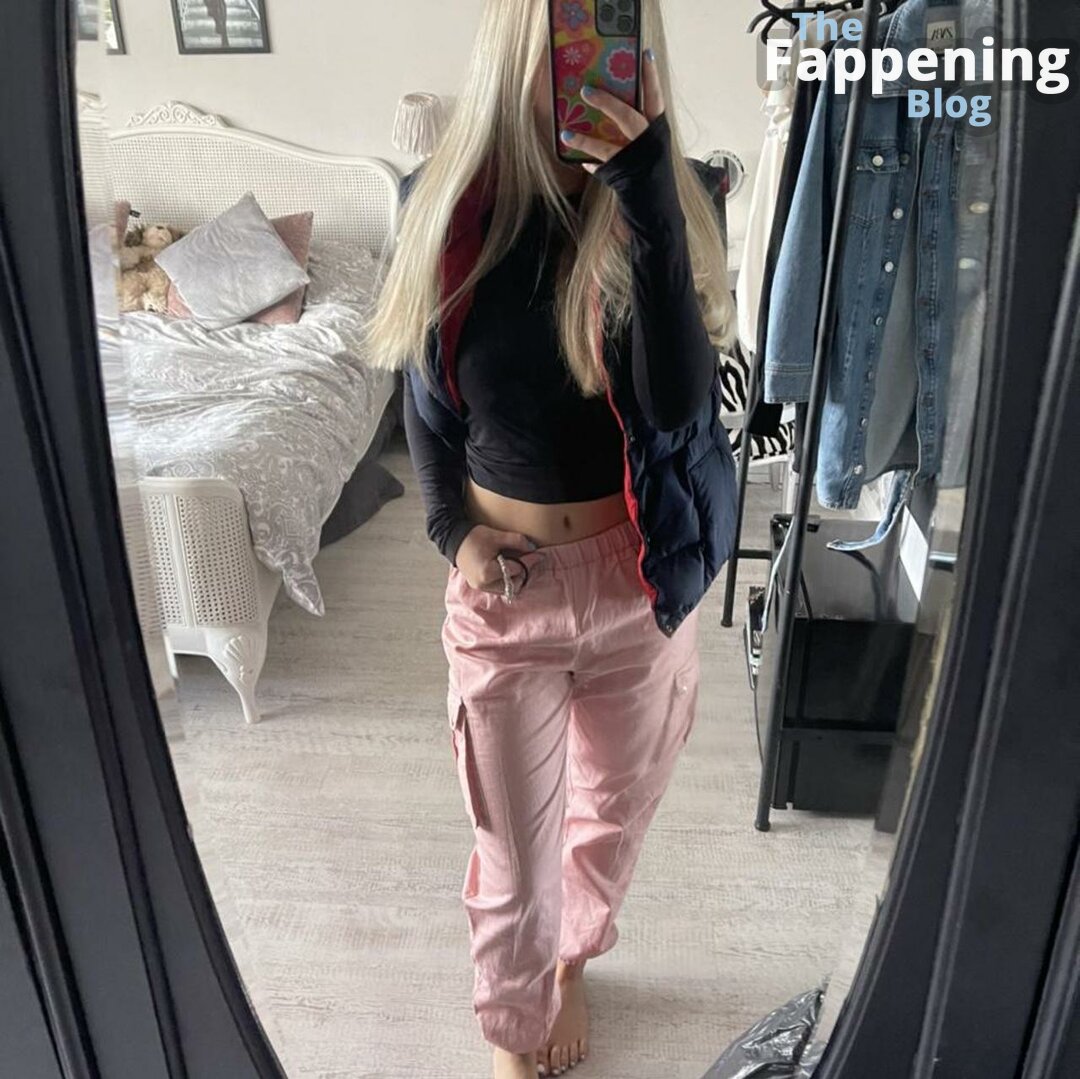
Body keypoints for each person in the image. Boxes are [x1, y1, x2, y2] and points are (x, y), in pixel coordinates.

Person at [368, 2, 737, 1074]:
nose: (587, 65)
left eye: (615, 32)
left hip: (640, 577)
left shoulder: (680, 195)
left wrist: (650, 195)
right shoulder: (444, 206)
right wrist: (452, 530)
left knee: (610, 821)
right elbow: (425, 402)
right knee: (513, 850)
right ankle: (515, 1027)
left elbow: (676, 407)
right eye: (564, 36)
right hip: (508, 587)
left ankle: (572, 957)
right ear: (517, 47)